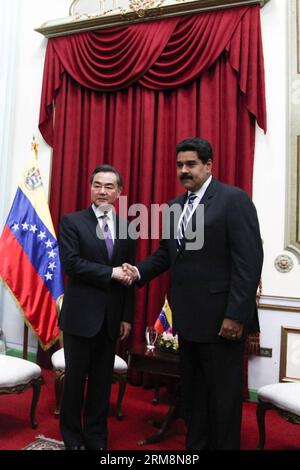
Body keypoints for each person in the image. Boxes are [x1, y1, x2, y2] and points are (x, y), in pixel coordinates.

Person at [123, 137, 263, 450]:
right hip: (187, 321)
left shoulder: (233, 200)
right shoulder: (174, 206)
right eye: (179, 165)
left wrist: (235, 315)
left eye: (191, 164)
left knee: (223, 398)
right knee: (194, 396)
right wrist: (139, 271)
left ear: (208, 165)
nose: (184, 171)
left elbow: (249, 261)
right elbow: (165, 254)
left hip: (223, 322)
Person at [58, 164, 135, 450]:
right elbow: (72, 265)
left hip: (111, 318)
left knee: (102, 384)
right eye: (97, 185)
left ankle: (96, 437)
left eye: (109, 186)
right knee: (75, 382)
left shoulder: (128, 227)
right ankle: (72, 436)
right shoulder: (72, 222)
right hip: (80, 317)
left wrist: (127, 316)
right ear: (90, 188)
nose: (102, 191)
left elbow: (129, 274)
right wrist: (110, 273)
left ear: (119, 192)